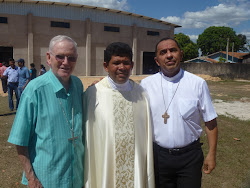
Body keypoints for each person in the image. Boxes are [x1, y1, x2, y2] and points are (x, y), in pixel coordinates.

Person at [140, 38, 218, 188]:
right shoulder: (146, 85)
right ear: (157, 60)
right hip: (158, 157)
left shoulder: (197, 83)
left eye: (173, 50)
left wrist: (211, 154)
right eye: (163, 52)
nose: (169, 55)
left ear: (181, 55)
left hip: (190, 158)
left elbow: (210, 122)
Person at [8, 35, 84, 188]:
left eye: (71, 58)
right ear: (49, 58)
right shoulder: (34, 89)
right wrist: (31, 179)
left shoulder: (78, 85)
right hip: (47, 179)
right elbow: (19, 140)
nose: (66, 62)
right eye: (60, 56)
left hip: (77, 177)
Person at [84, 42, 155, 188]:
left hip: (135, 169)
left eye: (126, 63)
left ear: (132, 65)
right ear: (106, 66)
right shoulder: (93, 94)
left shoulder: (142, 95)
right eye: (116, 63)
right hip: (105, 167)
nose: (122, 67)